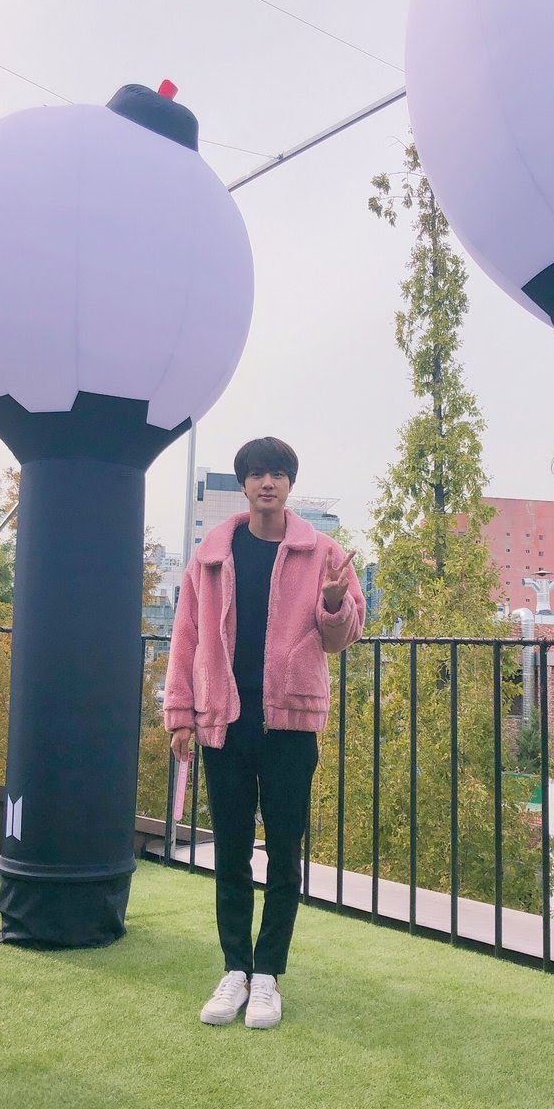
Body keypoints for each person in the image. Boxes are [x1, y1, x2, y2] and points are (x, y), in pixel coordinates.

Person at [164, 436, 365, 1029]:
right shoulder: (212, 553)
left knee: (283, 851)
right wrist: (180, 713)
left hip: (290, 723)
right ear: (244, 484)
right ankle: (235, 969)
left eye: (277, 473)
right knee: (229, 849)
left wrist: (334, 603)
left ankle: (268, 974)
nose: (267, 483)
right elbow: (185, 637)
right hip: (223, 719)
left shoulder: (322, 552)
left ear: (290, 483)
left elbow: (342, 638)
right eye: (257, 474)